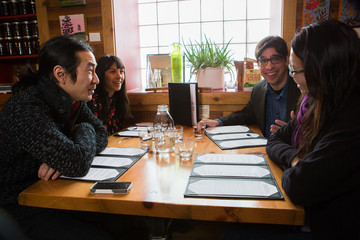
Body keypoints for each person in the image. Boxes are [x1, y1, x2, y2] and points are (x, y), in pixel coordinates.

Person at [0, 36, 145, 240]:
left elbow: (101, 135)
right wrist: (81, 134)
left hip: (54, 190)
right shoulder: (26, 107)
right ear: (60, 74)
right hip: (19, 201)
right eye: (90, 70)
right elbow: (76, 162)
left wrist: (71, 144)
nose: (96, 79)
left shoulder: (73, 100)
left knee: (132, 225)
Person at [266, 20, 360, 239]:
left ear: (322, 69)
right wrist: (295, 158)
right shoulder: (314, 103)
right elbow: (275, 139)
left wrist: (297, 164)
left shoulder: (351, 119)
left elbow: (298, 185)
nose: (292, 76)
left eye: (295, 70)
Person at [199, 36, 301, 138]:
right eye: (263, 61)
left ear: (287, 60)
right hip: (264, 148)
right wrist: (217, 122)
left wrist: (293, 136)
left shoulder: (302, 89)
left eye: (275, 59)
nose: (269, 67)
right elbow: (246, 115)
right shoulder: (259, 89)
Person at [87, 55, 133, 135]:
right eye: (112, 72)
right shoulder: (93, 101)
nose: (119, 76)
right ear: (101, 74)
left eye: (121, 72)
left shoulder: (116, 100)